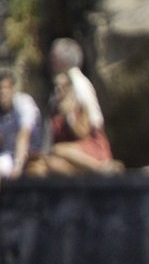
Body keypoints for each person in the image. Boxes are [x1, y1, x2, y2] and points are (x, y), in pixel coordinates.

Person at [32, 39, 117, 175]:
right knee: (47, 163)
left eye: (54, 58)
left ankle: (100, 169)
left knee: (57, 150)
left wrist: (69, 116)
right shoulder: (57, 91)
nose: (50, 62)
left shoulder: (78, 82)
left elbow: (92, 120)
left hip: (88, 141)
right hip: (68, 148)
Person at [0, 65, 42, 180]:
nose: (2, 92)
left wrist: (17, 166)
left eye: (5, 88)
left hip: (29, 155)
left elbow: (24, 135)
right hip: (7, 155)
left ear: (13, 89)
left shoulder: (23, 103)